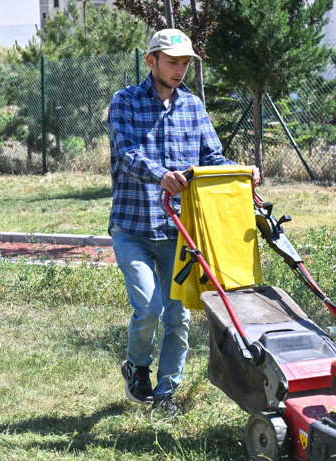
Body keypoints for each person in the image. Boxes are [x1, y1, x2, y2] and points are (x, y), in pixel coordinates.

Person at [107, 28, 260, 418]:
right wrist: (161, 175)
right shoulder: (124, 102)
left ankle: (166, 393)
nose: (179, 70)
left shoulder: (193, 106)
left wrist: (241, 174)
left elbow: (213, 157)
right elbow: (126, 153)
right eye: (172, 62)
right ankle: (136, 367)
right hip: (133, 226)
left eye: (185, 63)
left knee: (178, 316)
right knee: (149, 307)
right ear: (151, 61)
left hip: (179, 230)